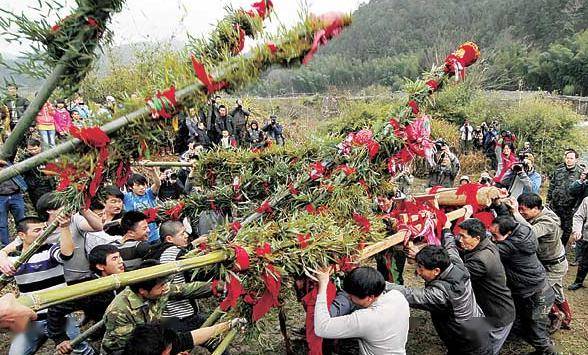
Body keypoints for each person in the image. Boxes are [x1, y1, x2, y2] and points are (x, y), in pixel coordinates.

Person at [389, 221, 490, 355]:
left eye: (421, 268)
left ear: (436, 271)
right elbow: (450, 247)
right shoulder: (455, 263)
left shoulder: (442, 294)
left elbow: (409, 294)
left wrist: (377, 283)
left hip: (469, 343)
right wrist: (446, 228)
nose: (418, 272)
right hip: (477, 328)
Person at [4, 216, 93, 355]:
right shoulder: (14, 259)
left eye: (44, 229)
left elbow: (67, 253)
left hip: (60, 316)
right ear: (22, 235)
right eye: (37, 230)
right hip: (32, 318)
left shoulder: (50, 250)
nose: (43, 233)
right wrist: (2, 257)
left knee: (81, 351)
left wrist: (64, 227)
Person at [100, 259, 213, 354]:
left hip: (153, 339)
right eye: (161, 285)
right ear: (143, 291)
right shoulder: (119, 312)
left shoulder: (158, 289)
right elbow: (133, 347)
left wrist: (215, 287)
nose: (165, 288)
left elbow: (185, 289)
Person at [489, 215, 556, 354]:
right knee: (526, 325)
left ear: (508, 233)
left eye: (495, 236)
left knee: (537, 334)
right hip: (537, 291)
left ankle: (549, 351)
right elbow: (505, 219)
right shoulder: (523, 230)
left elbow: (488, 253)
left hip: (539, 297)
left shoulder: (510, 247)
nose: (493, 239)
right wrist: (500, 206)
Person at [313, 266, 410, 355]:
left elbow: (322, 328)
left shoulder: (365, 319)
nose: (349, 298)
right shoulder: (398, 296)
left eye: (351, 296)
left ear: (369, 298)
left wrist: (323, 285)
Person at [454, 218, 514, 355]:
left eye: (463, 236)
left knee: (485, 351)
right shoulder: (486, 243)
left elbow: (455, 276)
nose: (460, 239)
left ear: (477, 238)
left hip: (497, 317)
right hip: (491, 310)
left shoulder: (481, 260)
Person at [515, 193, 571, 330]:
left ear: (536, 208)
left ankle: (556, 315)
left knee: (538, 291)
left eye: (523, 210)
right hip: (548, 263)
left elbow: (530, 232)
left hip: (555, 265)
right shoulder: (535, 215)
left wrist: (515, 213)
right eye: (519, 209)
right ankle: (567, 319)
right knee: (557, 293)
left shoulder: (548, 221)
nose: (521, 213)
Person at [145, 221, 208, 332]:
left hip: (165, 315)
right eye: (182, 233)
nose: (186, 236)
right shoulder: (175, 252)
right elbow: (200, 274)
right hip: (182, 314)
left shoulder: (156, 252)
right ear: (169, 239)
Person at [547, 149, 584, 247]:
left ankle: (561, 247)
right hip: (555, 205)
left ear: (576, 159)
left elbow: (582, 192)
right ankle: (551, 246)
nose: (569, 160)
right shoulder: (559, 170)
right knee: (552, 226)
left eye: (571, 158)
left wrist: (576, 208)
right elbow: (552, 186)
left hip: (569, 208)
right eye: (567, 158)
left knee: (567, 229)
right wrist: (548, 201)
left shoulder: (580, 173)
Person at [18, 138, 56, 210]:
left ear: (39, 147)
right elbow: (22, 172)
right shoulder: (25, 159)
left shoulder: (45, 156)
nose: (33, 152)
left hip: (48, 186)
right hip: (34, 188)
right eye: (30, 150)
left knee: (51, 206)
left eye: (35, 149)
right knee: (39, 207)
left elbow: (54, 170)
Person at [123, 172, 161, 244]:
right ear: (131, 187)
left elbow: (157, 184)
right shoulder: (127, 197)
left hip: (154, 235)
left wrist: (153, 171)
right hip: (137, 237)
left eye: (143, 184)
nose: (142, 187)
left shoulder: (149, 193)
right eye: (138, 185)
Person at [0, 159, 28, 247]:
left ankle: (23, 243)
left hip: (16, 195)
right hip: (1, 197)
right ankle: (6, 247)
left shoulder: (9, 161)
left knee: (21, 221)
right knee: (2, 224)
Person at [570, 194, 588, 290]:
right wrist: (577, 230)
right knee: (584, 262)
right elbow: (578, 216)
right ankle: (578, 281)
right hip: (587, 237)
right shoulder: (587, 200)